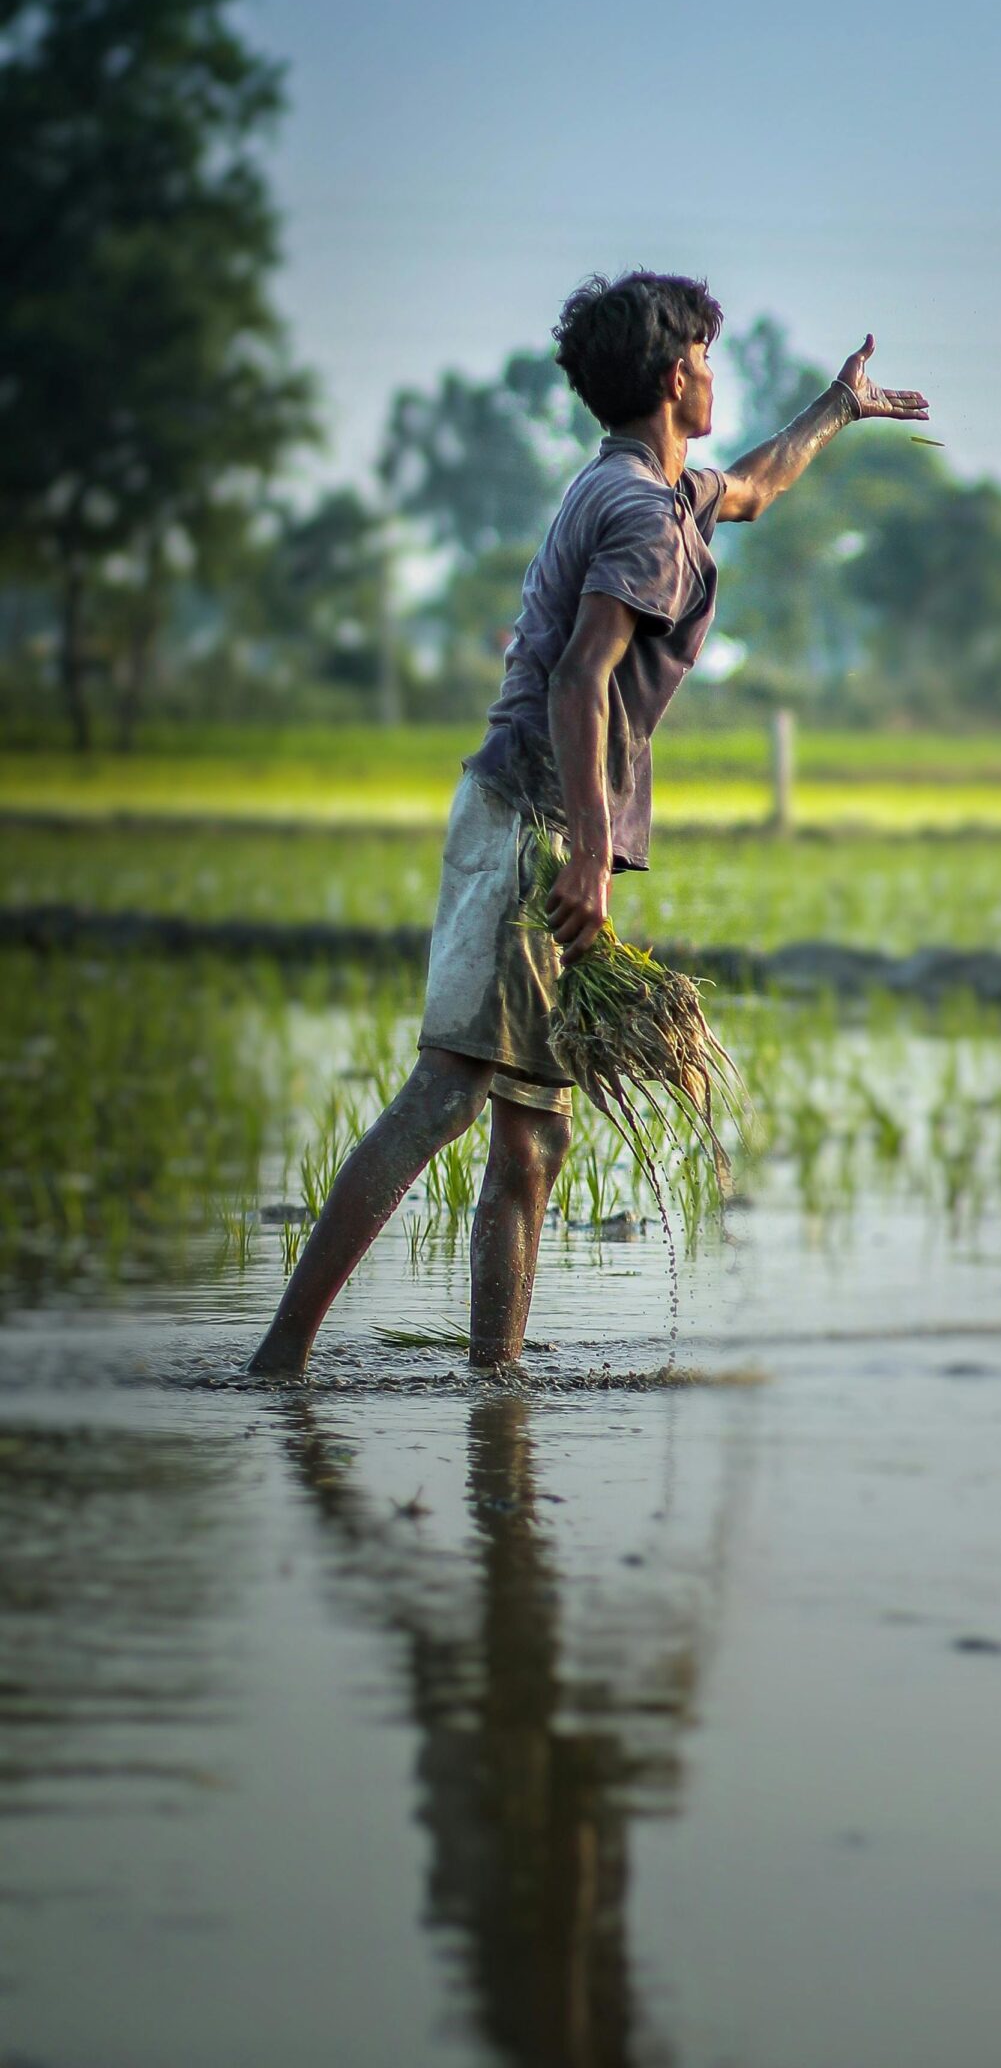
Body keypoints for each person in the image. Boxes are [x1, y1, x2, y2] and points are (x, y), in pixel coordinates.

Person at [249, 271, 928, 1375]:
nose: (714, 373)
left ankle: (495, 1380)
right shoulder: (636, 513)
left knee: (533, 1127)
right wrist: (586, 855)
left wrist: (838, 405)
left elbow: (754, 487)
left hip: (541, 822)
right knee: (445, 1097)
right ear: (675, 376)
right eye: (706, 357)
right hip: (532, 824)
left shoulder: (642, 487)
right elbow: (578, 678)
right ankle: (280, 1360)